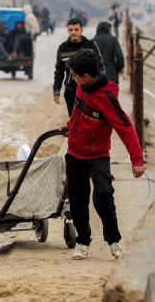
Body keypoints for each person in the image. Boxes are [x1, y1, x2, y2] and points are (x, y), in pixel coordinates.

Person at [59, 49, 143, 260]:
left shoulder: (106, 98)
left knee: (103, 196)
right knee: (78, 202)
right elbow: (77, 112)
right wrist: (70, 125)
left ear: (86, 76)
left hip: (97, 157)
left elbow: (126, 128)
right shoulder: (81, 88)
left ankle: (114, 241)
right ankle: (83, 242)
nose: (73, 80)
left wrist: (136, 160)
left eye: (75, 76)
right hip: (74, 155)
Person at [53, 18, 105, 116]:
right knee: (74, 120)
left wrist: (100, 86)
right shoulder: (62, 48)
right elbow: (59, 71)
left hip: (90, 90)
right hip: (71, 91)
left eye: (76, 29)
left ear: (81, 30)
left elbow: (100, 67)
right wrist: (56, 91)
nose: (74, 32)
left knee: (89, 120)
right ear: (68, 31)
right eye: (71, 30)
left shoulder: (91, 45)